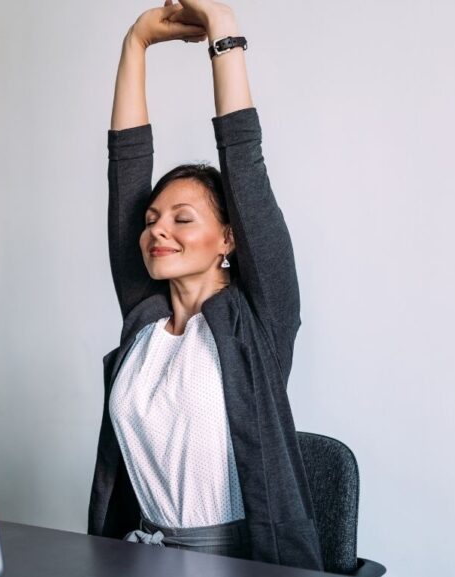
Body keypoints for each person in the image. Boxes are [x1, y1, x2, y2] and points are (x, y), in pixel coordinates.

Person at [87, 0, 325, 570]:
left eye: (182, 218)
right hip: (137, 557)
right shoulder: (143, 319)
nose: (158, 230)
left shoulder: (256, 322)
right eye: (151, 221)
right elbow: (126, 170)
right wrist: (134, 44)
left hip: (242, 563)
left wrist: (223, 31)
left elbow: (244, 162)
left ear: (229, 239)